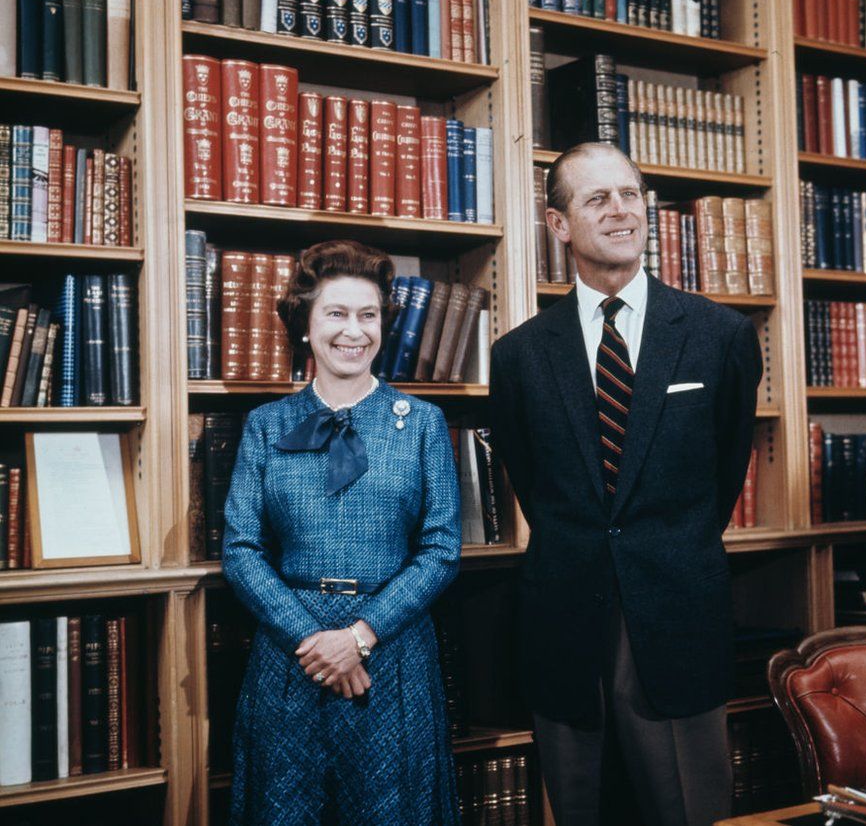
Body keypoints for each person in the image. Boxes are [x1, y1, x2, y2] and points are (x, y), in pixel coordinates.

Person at [489, 143, 762, 826]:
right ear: (558, 225)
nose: (621, 211)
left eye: (631, 194)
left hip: (678, 615)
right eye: (597, 199)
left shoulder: (718, 335)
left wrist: (667, 544)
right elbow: (532, 482)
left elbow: (727, 466)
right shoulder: (518, 355)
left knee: (690, 812)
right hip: (564, 624)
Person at [222, 239, 462, 825]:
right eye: (336, 313)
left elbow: (441, 550)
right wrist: (315, 641)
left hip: (393, 654)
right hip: (291, 658)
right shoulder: (266, 425)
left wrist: (358, 637)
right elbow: (241, 549)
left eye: (368, 315)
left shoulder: (423, 423)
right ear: (305, 323)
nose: (353, 331)